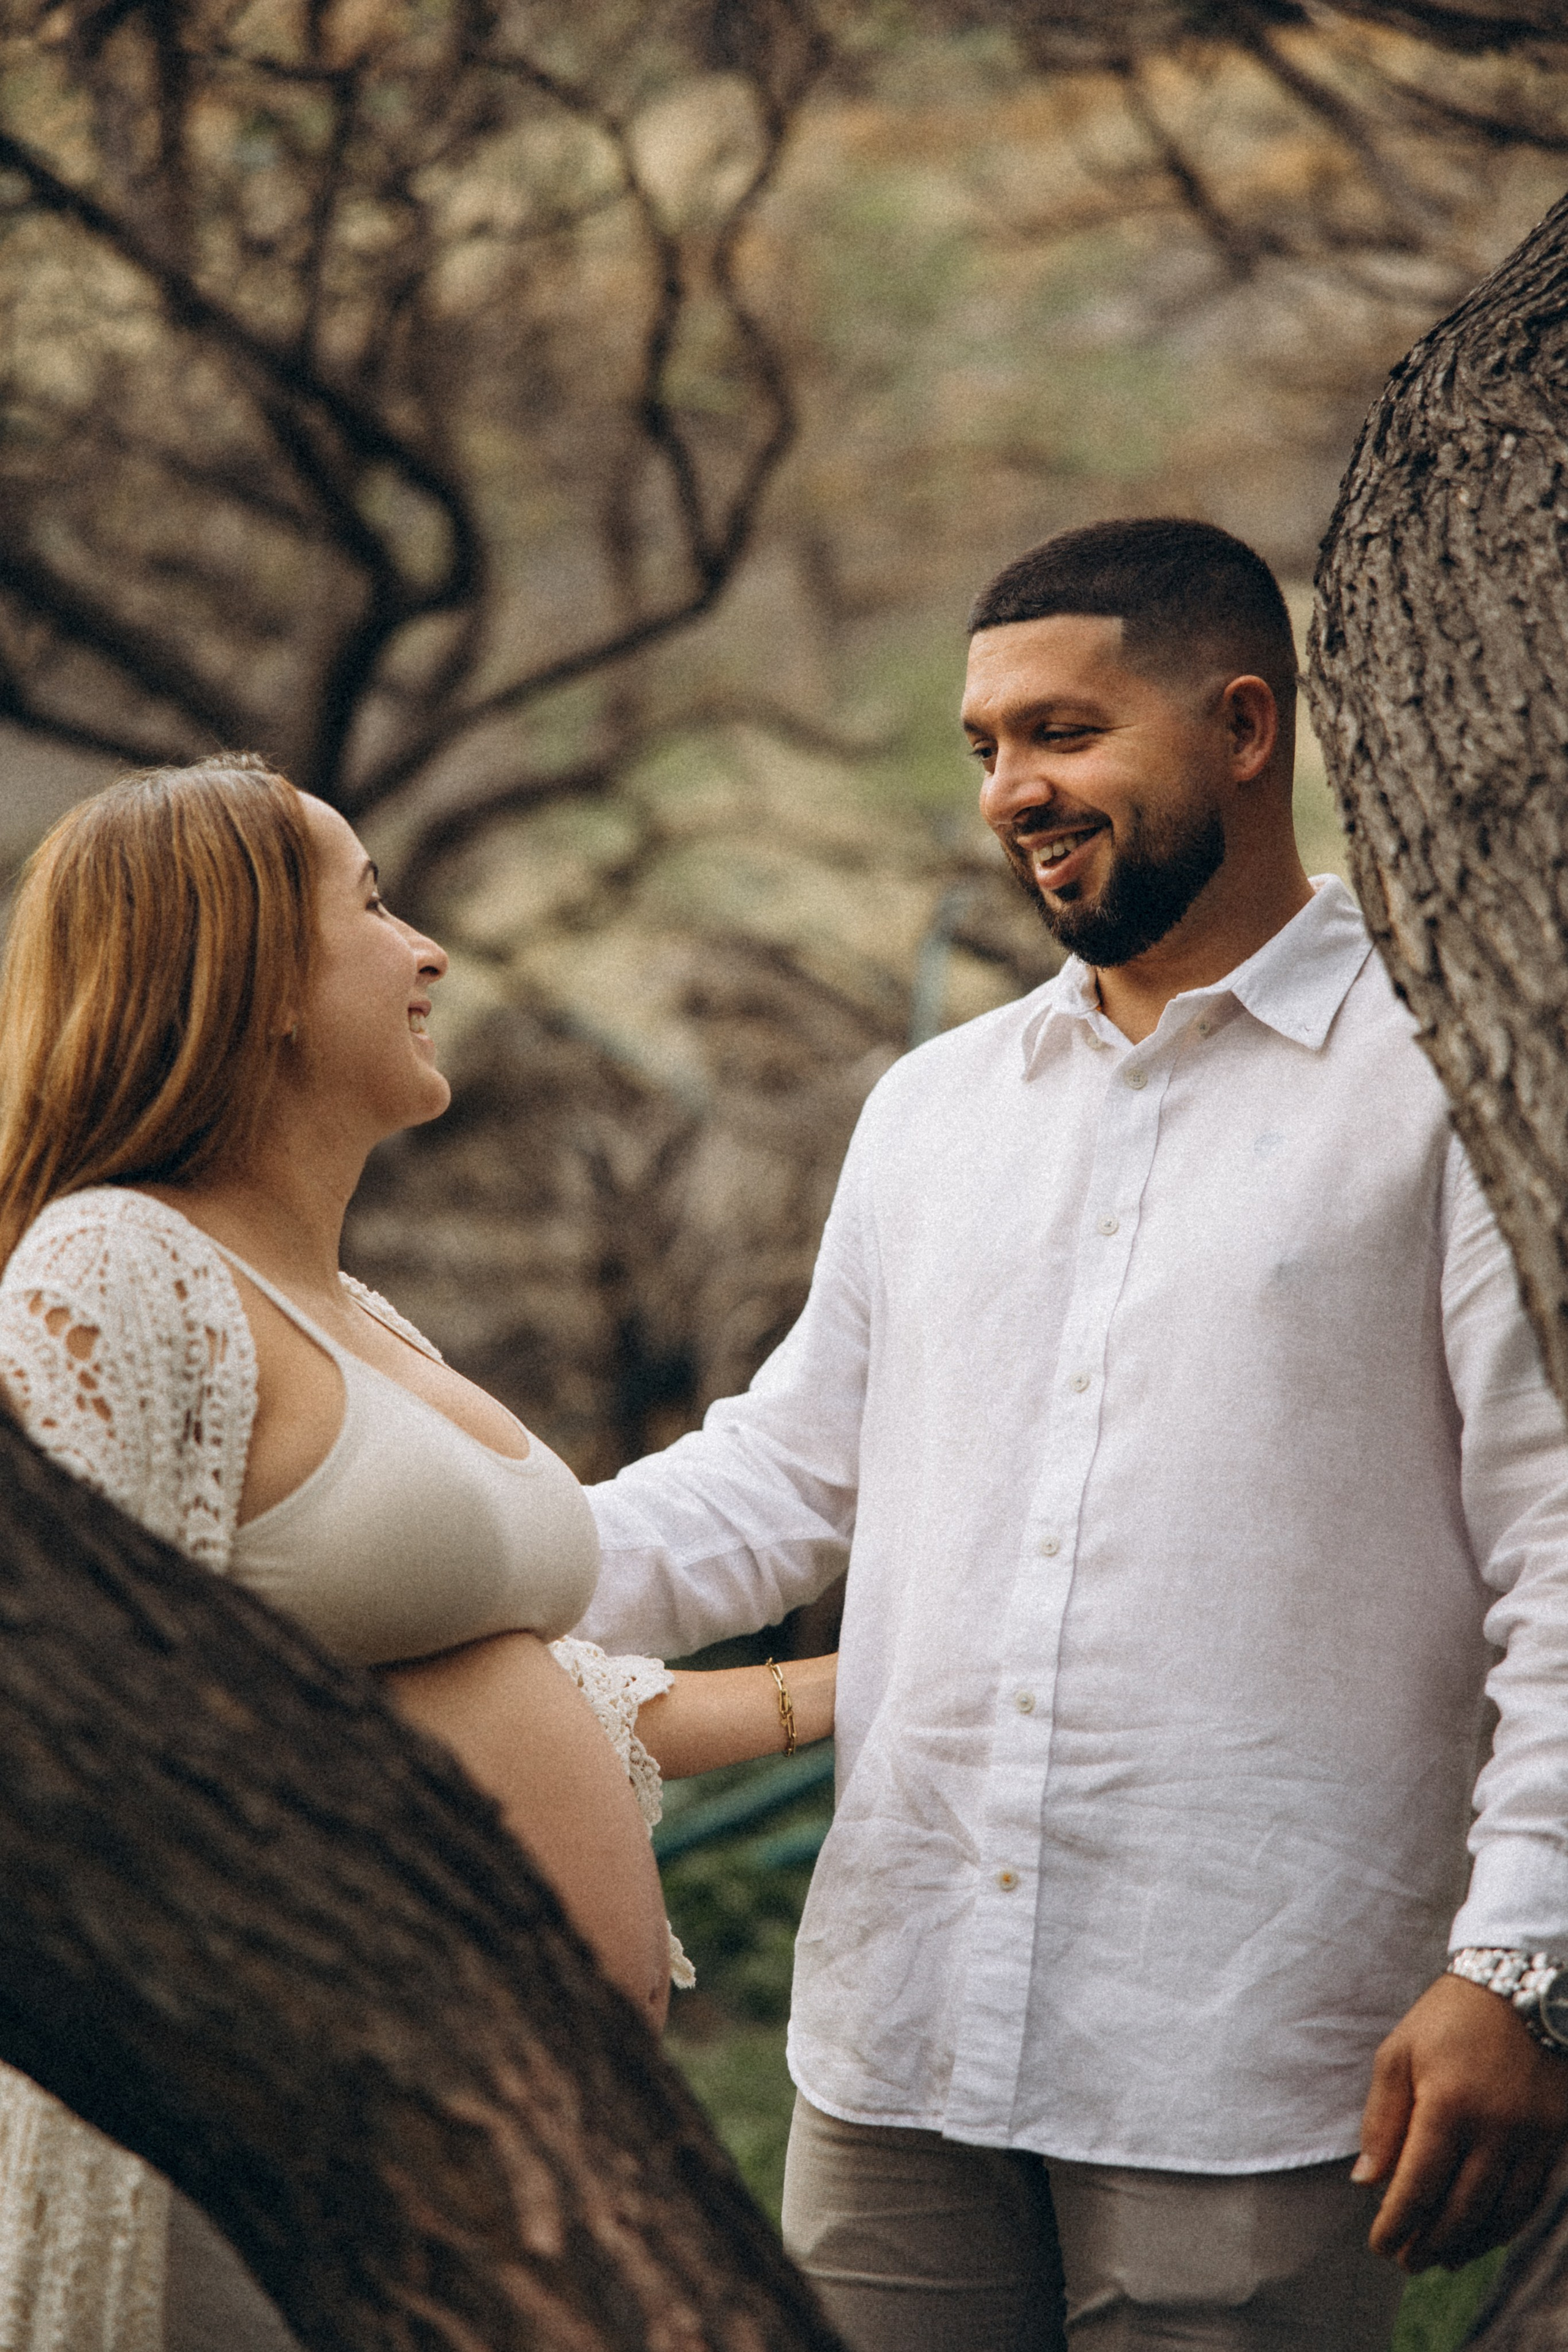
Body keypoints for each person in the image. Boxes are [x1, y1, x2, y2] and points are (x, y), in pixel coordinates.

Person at [576, 516, 1568, 2352]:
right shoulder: (938, 1110)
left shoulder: (1442, 1082)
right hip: (899, 2043)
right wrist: (455, 1550)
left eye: (1065, 734)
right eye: (983, 749)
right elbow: (780, 1478)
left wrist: (1520, 1968)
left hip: (1254, 2049)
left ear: (1247, 727)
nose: (1011, 795)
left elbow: (1559, 1555)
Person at [0, 755, 835, 2352]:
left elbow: (513, 1694)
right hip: (281, 2165)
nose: (430, 950)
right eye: (374, 905)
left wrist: (868, 1685)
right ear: (256, 987)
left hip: (502, 2170)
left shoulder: (352, 1309)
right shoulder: (117, 1270)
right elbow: (78, 1733)